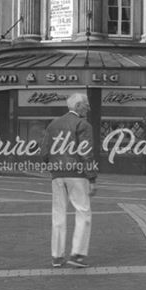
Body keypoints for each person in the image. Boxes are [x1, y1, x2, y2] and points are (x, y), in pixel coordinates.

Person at [40, 93, 99, 268]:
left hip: (57, 174)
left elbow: (44, 151)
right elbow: (86, 153)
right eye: (86, 105)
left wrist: (51, 165)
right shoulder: (83, 125)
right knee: (83, 212)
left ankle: (57, 256)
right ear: (79, 106)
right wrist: (92, 178)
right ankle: (78, 254)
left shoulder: (53, 124)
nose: (88, 108)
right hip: (77, 173)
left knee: (58, 214)